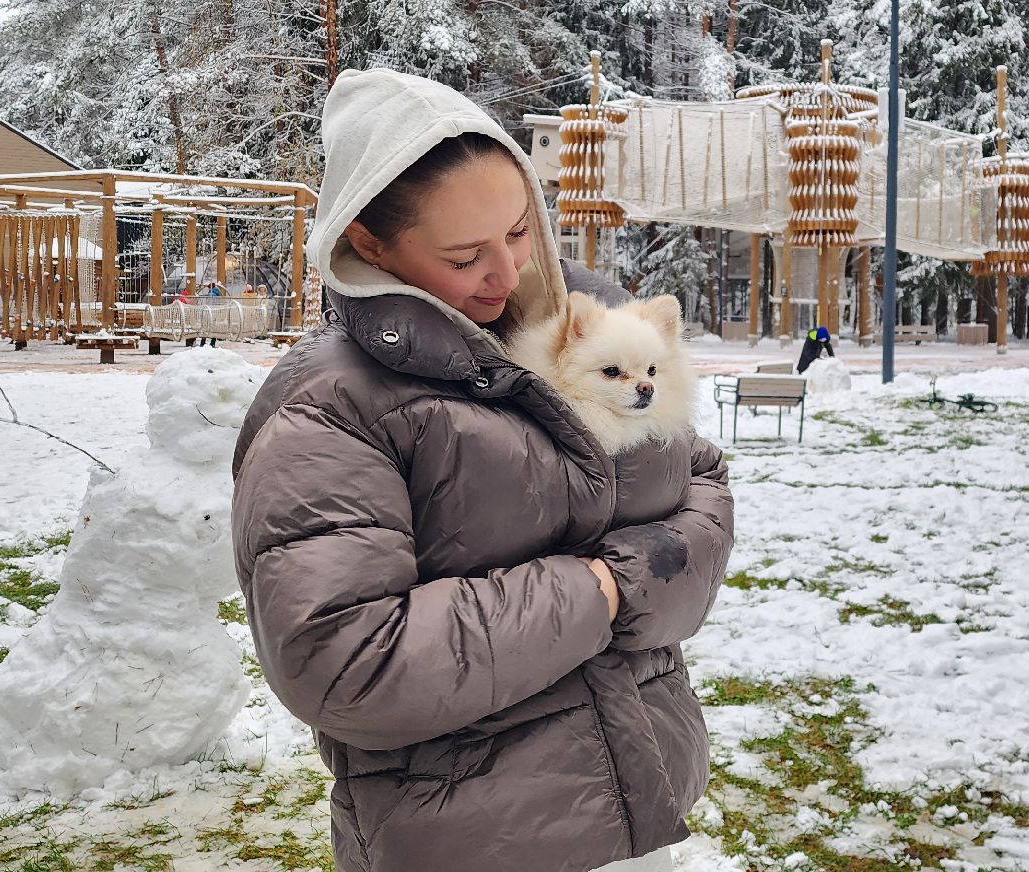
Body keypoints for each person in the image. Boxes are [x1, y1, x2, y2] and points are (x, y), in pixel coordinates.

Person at [230, 69, 732, 872]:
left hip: (640, 804)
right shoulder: (330, 407)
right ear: (368, 244)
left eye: (520, 230)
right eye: (468, 255)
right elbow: (346, 662)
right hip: (475, 836)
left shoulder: (582, 322)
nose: (508, 275)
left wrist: (640, 574)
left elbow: (701, 476)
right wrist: (599, 591)